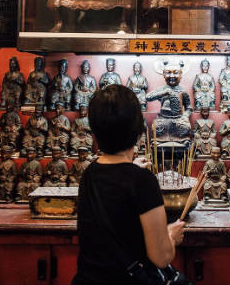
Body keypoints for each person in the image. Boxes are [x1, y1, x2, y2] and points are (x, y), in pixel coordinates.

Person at [72, 85, 185, 285]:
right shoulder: (142, 180)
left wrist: (130, 167)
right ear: (137, 130)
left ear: (95, 130)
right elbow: (161, 257)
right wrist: (171, 235)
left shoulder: (89, 173)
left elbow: (114, 187)